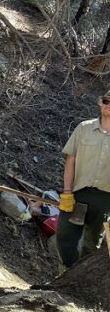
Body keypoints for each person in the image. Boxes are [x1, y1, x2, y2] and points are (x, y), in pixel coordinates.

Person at [55, 91, 110, 267]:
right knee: (65, 237)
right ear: (100, 103)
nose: (108, 105)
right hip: (78, 194)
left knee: (93, 246)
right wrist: (67, 192)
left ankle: (81, 286)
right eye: (106, 101)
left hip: (105, 200)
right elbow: (70, 161)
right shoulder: (84, 128)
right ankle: (66, 277)